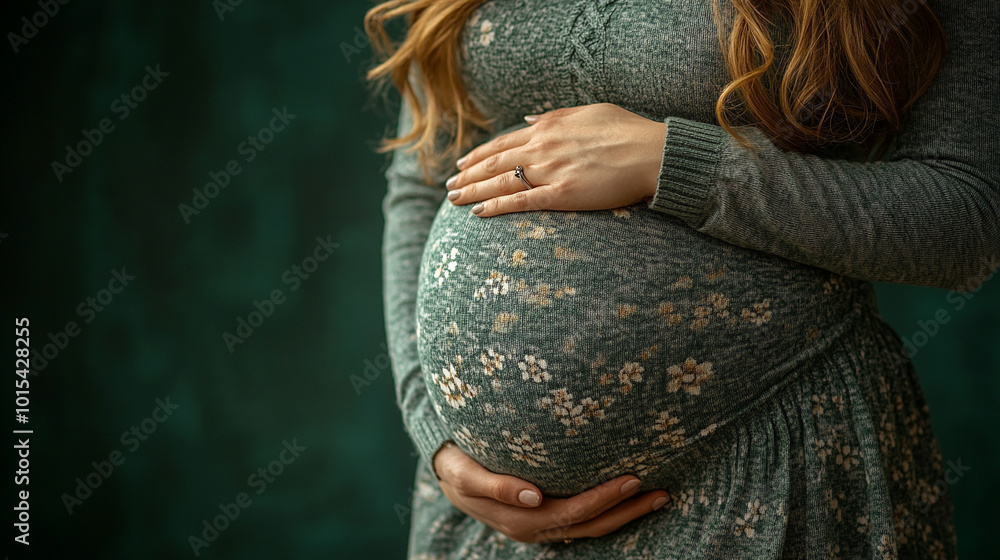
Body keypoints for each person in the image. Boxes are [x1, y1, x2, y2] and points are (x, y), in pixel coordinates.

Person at [370, 0, 998, 558]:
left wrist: (672, 161)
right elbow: (423, 179)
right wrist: (439, 436)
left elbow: (970, 213)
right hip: (491, 517)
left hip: (766, 467)